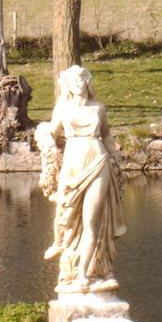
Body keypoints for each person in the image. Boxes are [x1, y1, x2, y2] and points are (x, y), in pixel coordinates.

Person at [37, 65, 126, 293]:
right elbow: (51, 131)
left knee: (91, 220)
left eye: (82, 79)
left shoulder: (98, 108)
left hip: (98, 161)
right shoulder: (63, 109)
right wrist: (45, 140)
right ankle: (60, 245)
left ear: (88, 81)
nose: (78, 84)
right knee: (66, 213)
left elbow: (106, 135)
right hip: (73, 162)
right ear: (67, 85)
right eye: (74, 81)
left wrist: (116, 159)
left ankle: (84, 273)